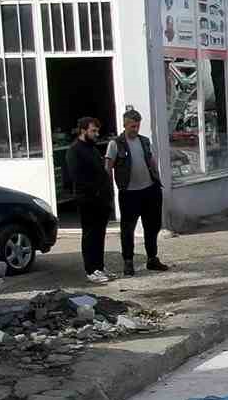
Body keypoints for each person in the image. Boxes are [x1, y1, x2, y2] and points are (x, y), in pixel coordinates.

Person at [105, 108, 170, 276]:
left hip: (150, 189)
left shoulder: (144, 141)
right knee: (128, 228)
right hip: (129, 193)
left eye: (137, 126)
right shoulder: (115, 144)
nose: (135, 129)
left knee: (152, 225)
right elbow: (108, 167)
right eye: (132, 126)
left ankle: (152, 258)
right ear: (125, 125)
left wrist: (157, 179)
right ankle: (128, 261)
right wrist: (109, 189)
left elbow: (151, 160)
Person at [66, 116, 115, 285]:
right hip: (87, 200)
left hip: (101, 200)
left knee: (99, 234)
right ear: (83, 131)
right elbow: (76, 176)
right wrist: (94, 191)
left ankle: (99, 267)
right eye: (93, 131)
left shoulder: (92, 148)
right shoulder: (74, 150)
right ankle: (91, 270)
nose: (96, 134)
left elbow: (102, 172)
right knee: (90, 235)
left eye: (97, 130)